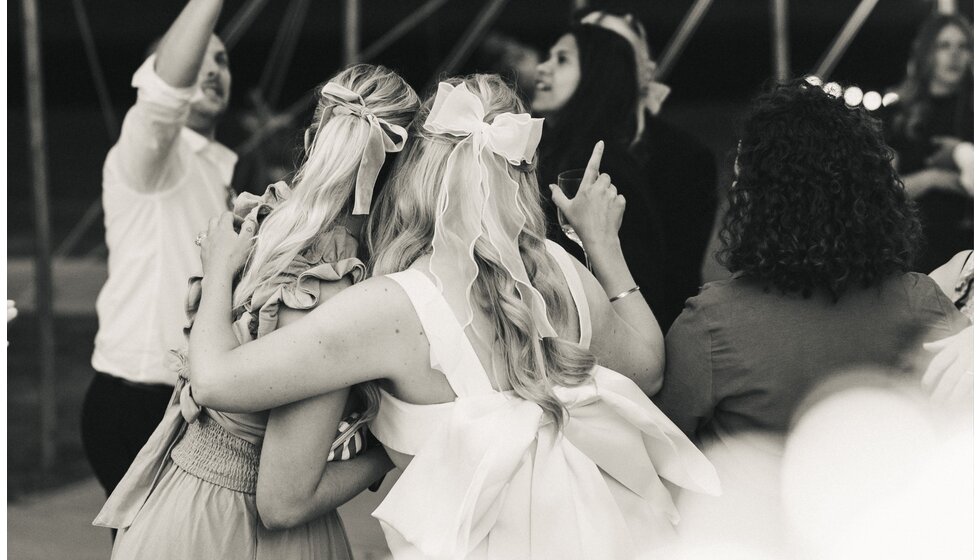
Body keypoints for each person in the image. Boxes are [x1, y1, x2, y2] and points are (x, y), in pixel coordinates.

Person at [187, 75, 720, 558]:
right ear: (523, 167)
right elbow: (649, 369)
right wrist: (602, 243)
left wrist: (217, 272)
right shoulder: (560, 271)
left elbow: (212, 382)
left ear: (417, 169)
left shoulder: (390, 307)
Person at [94, 65, 420, 559]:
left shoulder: (267, 226)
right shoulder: (330, 282)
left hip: (175, 507)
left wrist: (218, 272)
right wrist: (389, 455)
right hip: (233, 532)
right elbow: (284, 504)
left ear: (315, 138)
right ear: (407, 170)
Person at [655, 78, 970, 447]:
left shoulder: (710, 324)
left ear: (756, 202)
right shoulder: (922, 302)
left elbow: (666, 455)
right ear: (873, 193)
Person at [80, 0, 237, 498]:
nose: (214, 70)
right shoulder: (147, 162)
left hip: (197, 403)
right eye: (203, 58)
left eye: (224, 60)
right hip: (135, 403)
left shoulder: (218, 171)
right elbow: (163, 96)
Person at [533, 10, 717, 331]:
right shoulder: (550, 149)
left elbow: (665, 280)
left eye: (563, 59)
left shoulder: (604, 164)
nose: (542, 68)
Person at [882, 13, 973, 273]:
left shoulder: (972, 110)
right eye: (944, 46)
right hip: (920, 249)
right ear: (926, 53)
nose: (954, 54)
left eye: (962, 46)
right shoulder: (901, 114)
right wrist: (934, 177)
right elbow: (886, 188)